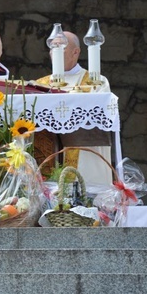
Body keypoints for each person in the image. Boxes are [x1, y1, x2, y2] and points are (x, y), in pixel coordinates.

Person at [35, 31, 113, 186]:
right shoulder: (39, 85)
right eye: (52, 48)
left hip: (84, 155)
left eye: (61, 47)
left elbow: (102, 117)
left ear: (75, 52)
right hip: (48, 155)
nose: (54, 52)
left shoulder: (95, 82)